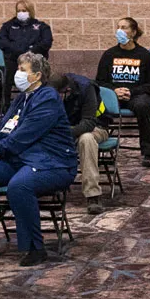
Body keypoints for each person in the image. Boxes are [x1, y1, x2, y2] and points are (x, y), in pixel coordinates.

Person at [0, 53, 78, 265]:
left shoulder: (48, 98)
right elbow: (1, 126)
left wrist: (1, 148)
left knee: (19, 186)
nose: (18, 74)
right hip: (18, 159)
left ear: (37, 76)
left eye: (23, 70)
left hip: (52, 163)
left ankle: (35, 248)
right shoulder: (21, 98)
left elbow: (26, 133)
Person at [95, 18, 150, 169]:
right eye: (118, 27)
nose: (119, 30)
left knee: (143, 106)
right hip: (113, 96)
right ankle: (98, 142)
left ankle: (149, 152)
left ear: (134, 32)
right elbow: (99, 81)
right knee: (94, 103)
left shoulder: (144, 55)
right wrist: (113, 91)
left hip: (135, 95)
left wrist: (131, 91)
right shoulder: (109, 55)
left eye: (124, 27)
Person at [53, 71, 113, 215]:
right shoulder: (47, 89)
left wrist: (63, 133)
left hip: (96, 127)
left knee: (86, 139)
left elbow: (89, 122)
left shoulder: (86, 87)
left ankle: (93, 195)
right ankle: (46, 185)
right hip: (67, 128)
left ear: (66, 91)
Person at [0, 0, 54, 86]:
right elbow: (1, 40)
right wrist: (17, 50)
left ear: (30, 11)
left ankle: (38, 96)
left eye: (24, 10)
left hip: (35, 60)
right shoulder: (8, 26)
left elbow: (46, 42)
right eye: (18, 11)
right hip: (13, 60)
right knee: (7, 71)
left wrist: (31, 51)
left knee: (39, 68)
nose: (21, 13)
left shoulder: (41, 26)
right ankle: (6, 99)